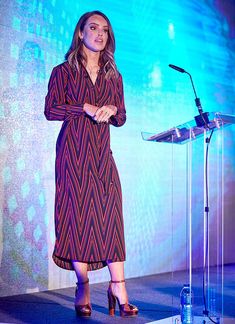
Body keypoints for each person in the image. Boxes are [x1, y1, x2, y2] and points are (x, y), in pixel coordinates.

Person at [44, 10, 138, 318]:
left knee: (111, 217)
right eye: (93, 27)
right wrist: (82, 106)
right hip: (72, 155)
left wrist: (111, 108)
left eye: (105, 30)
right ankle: (82, 286)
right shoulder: (63, 71)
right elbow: (51, 110)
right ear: (80, 33)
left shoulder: (114, 75)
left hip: (101, 155)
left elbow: (121, 117)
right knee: (77, 220)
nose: (100, 33)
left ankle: (118, 286)